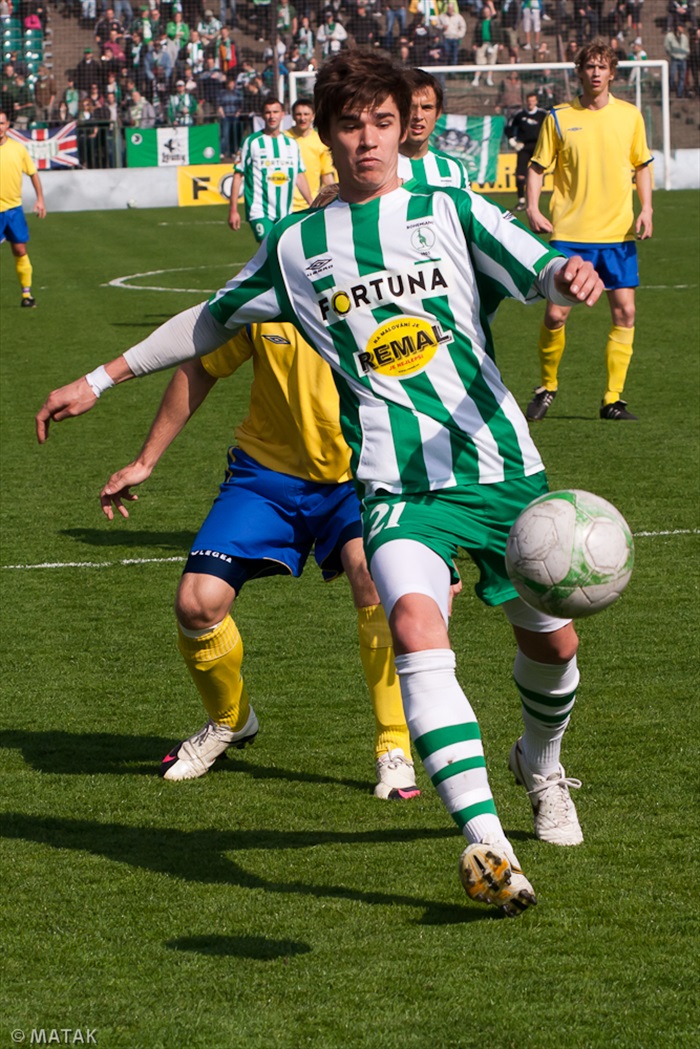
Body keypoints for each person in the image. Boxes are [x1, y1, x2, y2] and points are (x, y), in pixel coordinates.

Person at [36, 52, 605, 918]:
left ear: (399, 125)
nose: (369, 140)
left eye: (382, 122)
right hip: (395, 488)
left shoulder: (448, 207)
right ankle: (486, 842)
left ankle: (542, 764)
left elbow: (540, 267)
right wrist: (101, 377)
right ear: (325, 131)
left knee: (554, 648)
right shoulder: (298, 246)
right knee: (413, 621)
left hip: (500, 470)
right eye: (351, 125)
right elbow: (209, 319)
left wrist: (571, 276)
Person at [97, 320, 420, 799]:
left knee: (374, 577)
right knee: (196, 603)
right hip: (265, 477)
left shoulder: (380, 287)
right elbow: (201, 365)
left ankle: (393, 745)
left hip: (365, 475)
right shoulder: (264, 290)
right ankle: (230, 721)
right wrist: (146, 460)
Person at [525, 39, 653, 422]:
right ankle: (547, 386)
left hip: (617, 234)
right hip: (571, 234)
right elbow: (537, 167)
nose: (596, 73)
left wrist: (646, 208)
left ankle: (612, 399)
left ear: (612, 73)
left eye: (602, 66)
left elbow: (642, 165)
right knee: (556, 316)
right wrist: (532, 207)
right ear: (579, 72)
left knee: (625, 313)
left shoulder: (630, 116)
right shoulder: (559, 117)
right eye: (589, 66)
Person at [228, 97, 312, 243]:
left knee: (281, 254)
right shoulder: (252, 142)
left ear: (282, 114)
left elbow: (299, 175)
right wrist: (233, 210)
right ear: (262, 115)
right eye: (268, 112)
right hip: (259, 211)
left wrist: (311, 203)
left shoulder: (291, 144)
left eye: (275, 112)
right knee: (270, 248)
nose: (272, 116)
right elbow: (238, 175)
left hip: (285, 212)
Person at [0, 109, 46, 307]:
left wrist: (40, 199)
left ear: (7, 125)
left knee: (20, 250)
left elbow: (33, 173)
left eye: (1, 123)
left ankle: (26, 295)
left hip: (14, 210)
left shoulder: (18, 149)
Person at [397, 67, 470, 188]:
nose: (418, 116)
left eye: (427, 108)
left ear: (438, 113)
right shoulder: (378, 167)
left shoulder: (452, 168)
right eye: (410, 107)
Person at [287, 96, 335, 211]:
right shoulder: (283, 139)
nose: (302, 118)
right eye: (298, 114)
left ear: (313, 116)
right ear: (293, 116)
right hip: (286, 203)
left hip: (311, 202)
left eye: (306, 114)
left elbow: (326, 175)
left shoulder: (320, 141)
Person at [506, 91, 547, 211]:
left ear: (536, 101)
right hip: (523, 147)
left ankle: (535, 202)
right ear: (526, 102)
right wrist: (513, 142)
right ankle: (521, 201)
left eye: (533, 101)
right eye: (529, 101)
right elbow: (509, 128)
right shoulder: (519, 114)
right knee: (520, 175)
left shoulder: (542, 114)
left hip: (537, 147)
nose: (531, 103)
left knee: (537, 173)